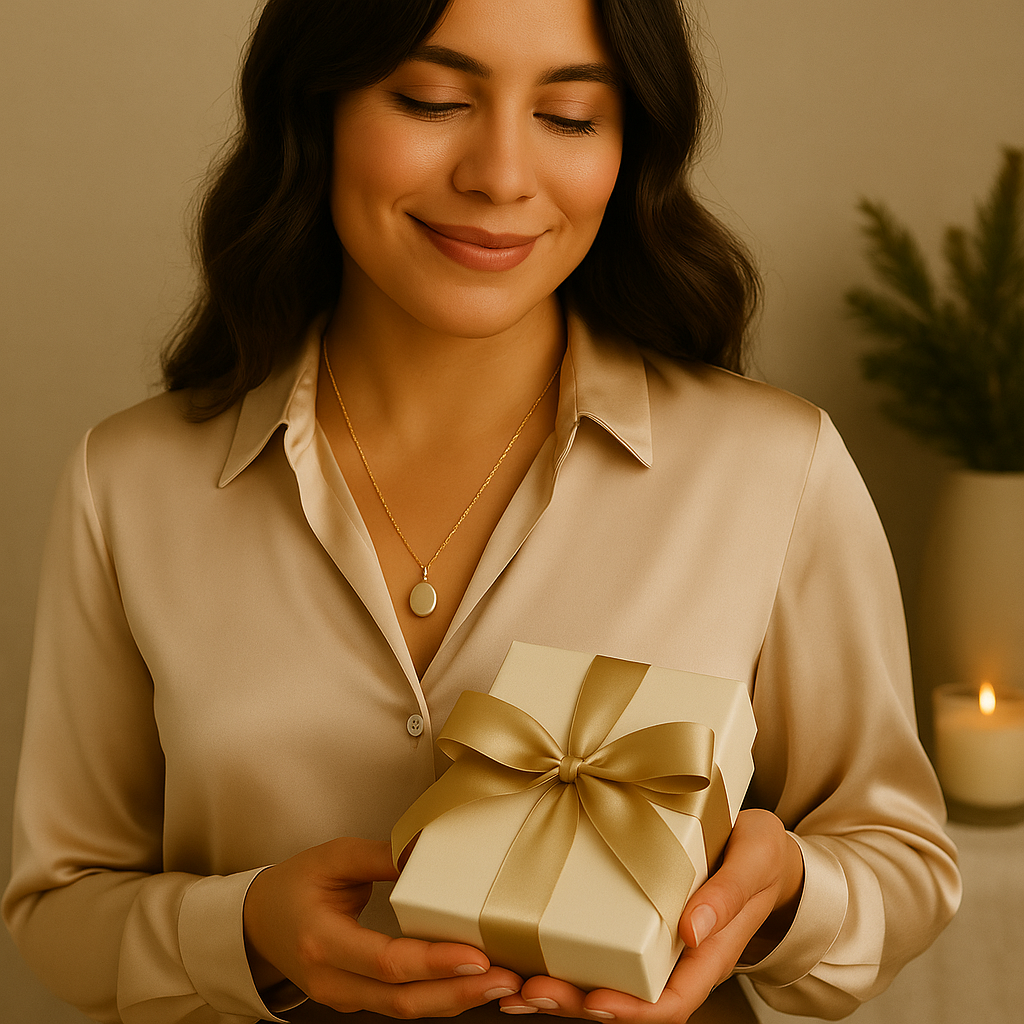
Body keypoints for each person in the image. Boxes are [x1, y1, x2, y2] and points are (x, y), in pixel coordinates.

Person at [3, 0, 960, 1022]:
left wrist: (783, 899)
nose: (500, 176)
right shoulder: (132, 480)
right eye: (431, 99)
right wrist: (242, 931)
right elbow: (58, 910)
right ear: (314, 108)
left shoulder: (773, 466)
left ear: (628, 145)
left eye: (570, 116)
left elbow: (903, 863)